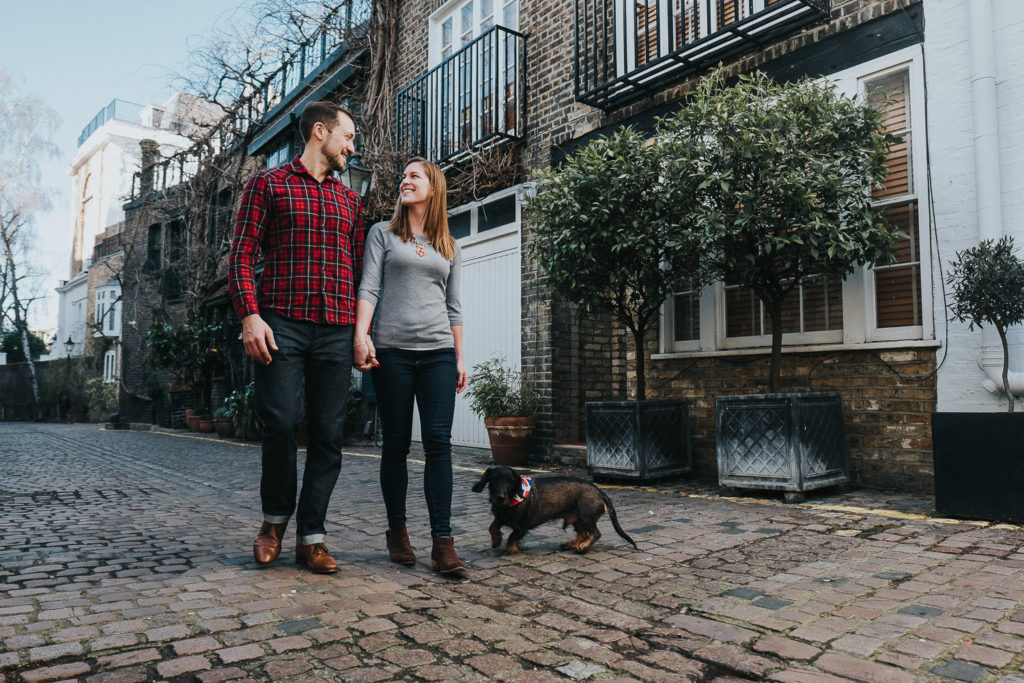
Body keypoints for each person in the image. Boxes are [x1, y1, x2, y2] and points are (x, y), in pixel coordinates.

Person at [228, 101, 365, 574]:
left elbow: (360, 270)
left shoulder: (351, 201)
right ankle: (273, 524)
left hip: (336, 327)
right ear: (319, 132)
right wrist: (250, 315)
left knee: (329, 434)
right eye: (347, 137)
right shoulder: (268, 184)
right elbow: (242, 254)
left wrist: (361, 333)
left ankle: (313, 538)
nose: (352, 147)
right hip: (280, 324)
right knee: (282, 423)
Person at [354, 157, 468, 577]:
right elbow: (368, 286)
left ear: (433, 188)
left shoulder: (450, 246)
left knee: (439, 443)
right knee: (397, 444)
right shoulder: (382, 234)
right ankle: (398, 532)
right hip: (393, 353)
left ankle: (443, 542)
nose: (405, 181)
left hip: (437, 352)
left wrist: (458, 358)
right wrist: (361, 336)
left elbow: (454, 309)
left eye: (413, 176)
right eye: (402, 176)